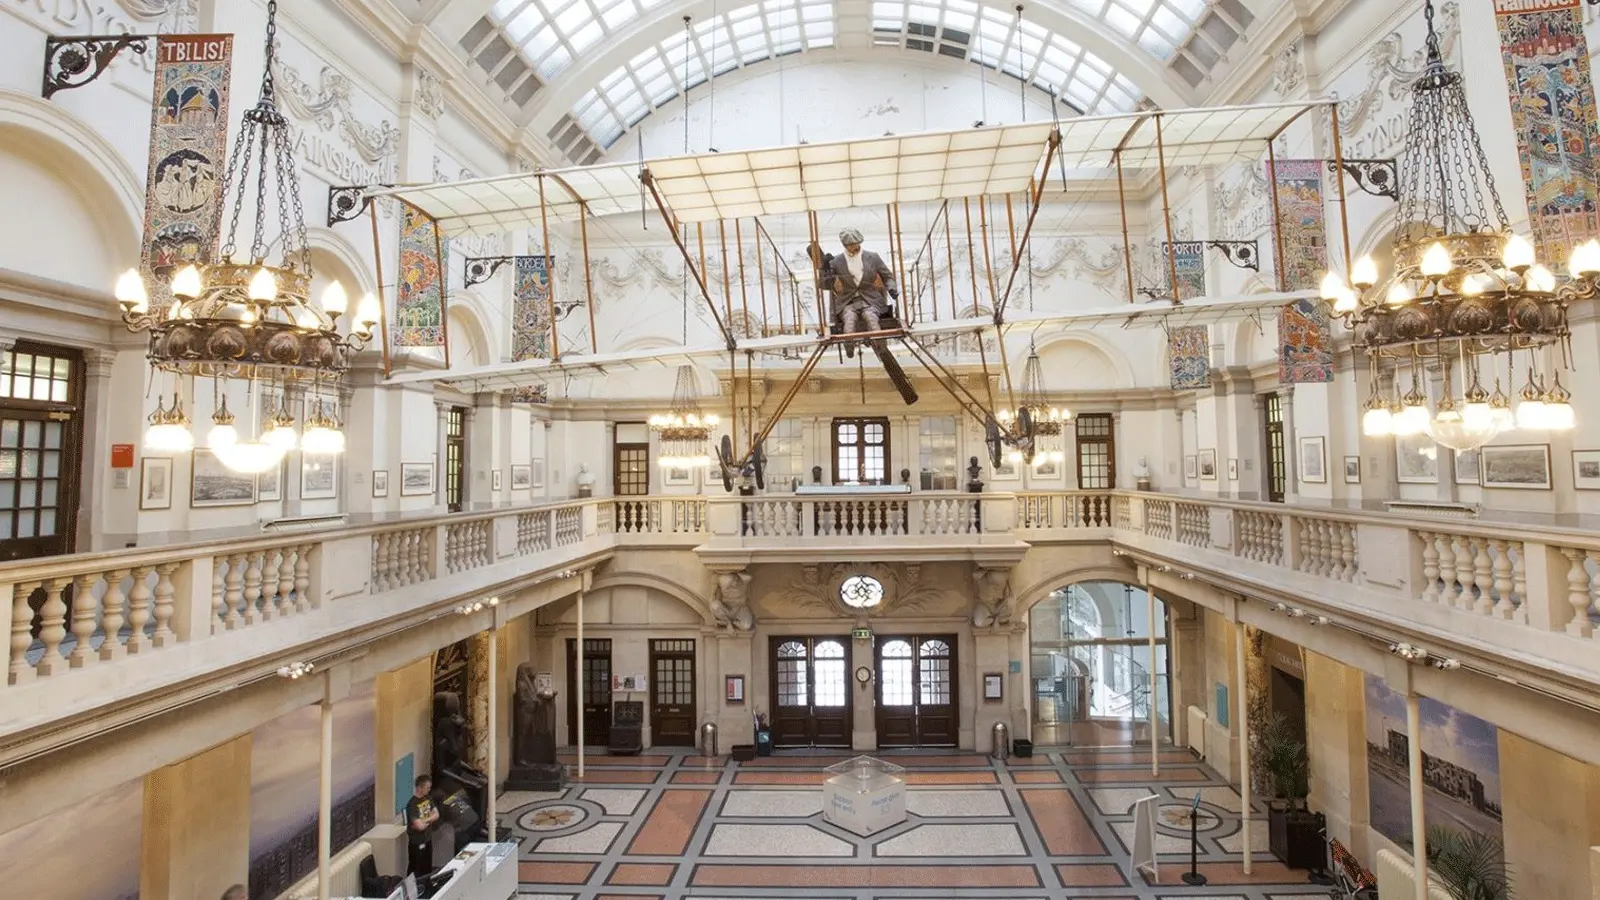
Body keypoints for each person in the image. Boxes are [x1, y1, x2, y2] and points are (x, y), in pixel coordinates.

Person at [824, 228, 898, 356]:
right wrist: (824, 270)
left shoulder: (873, 257)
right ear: (845, 246)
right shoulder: (836, 261)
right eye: (851, 245)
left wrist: (892, 287)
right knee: (849, 322)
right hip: (848, 302)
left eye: (856, 243)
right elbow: (826, 285)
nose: (854, 247)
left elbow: (888, 276)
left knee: (872, 319)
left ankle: (882, 351)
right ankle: (849, 348)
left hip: (870, 300)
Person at [405, 774, 441, 877]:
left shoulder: (428, 798)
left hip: (427, 839)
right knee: (415, 869)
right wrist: (429, 819)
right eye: (427, 787)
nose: (429, 790)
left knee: (427, 868)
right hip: (417, 842)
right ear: (419, 787)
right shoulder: (412, 805)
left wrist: (425, 820)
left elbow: (436, 815)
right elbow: (419, 827)